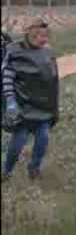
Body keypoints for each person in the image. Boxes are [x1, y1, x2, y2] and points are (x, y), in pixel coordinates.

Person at [2, 18, 59, 181]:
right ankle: (6, 171)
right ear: (31, 35)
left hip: (44, 106)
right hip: (23, 107)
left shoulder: (48, 53)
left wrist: (53, 105)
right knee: (18, 143)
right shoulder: (15, 52)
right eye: (41, 36)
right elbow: (7, 78)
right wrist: (11, 101)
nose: (44, 39)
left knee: (43, 140)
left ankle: (34, 168)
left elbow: (53, 81)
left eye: (46, 36)